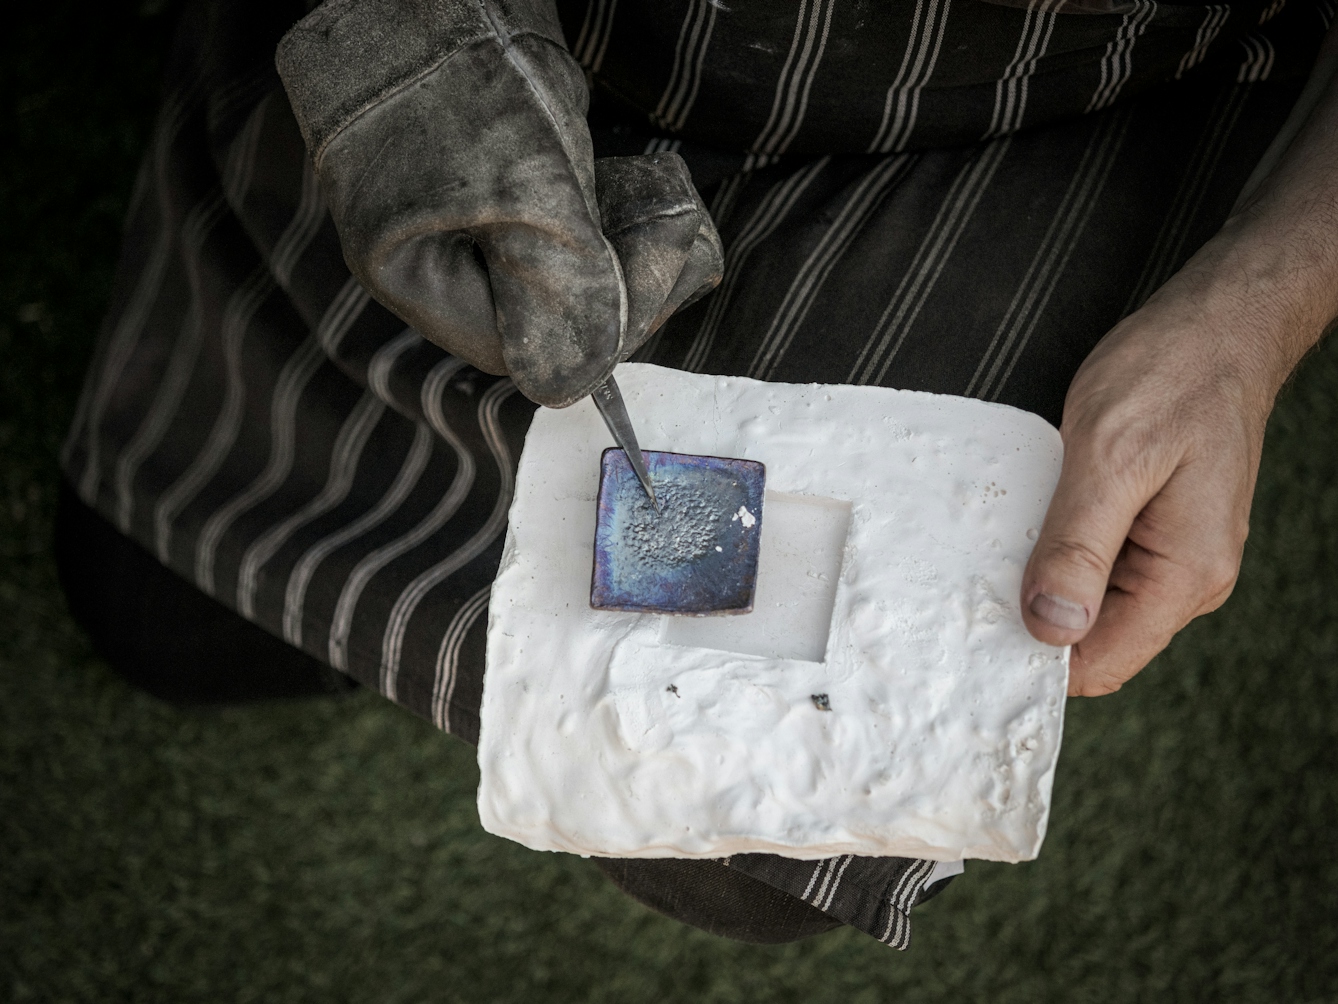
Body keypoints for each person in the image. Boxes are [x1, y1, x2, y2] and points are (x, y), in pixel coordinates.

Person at [56, 0, 1338, 948]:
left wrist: (1256, 308)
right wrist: (402, 41)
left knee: (749, 841)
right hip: (527, 38)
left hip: (1055, 106)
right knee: (161, 618)